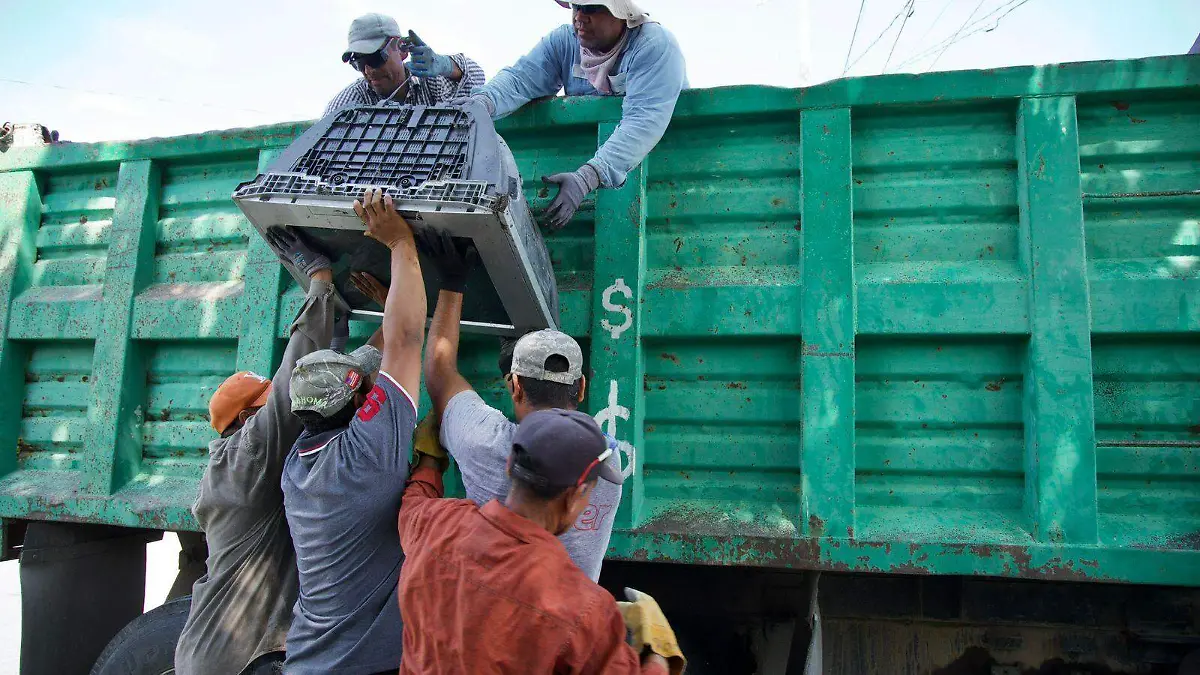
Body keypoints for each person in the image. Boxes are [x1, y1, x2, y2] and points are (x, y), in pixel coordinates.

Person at [397, 408, 685, 674]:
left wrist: (430, 461)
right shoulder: (582, 609)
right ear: (574, 497)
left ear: (510, 466)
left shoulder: (434, 524)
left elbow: (413, 502)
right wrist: (657, 651)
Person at [175, 228, 343, 675]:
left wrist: (337, 338)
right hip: (236, 664)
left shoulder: (240, 463)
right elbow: (292, 389)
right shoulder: (245, 462)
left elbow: (312, 393)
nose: (277, 409)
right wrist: (319, 281)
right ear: (247, 420)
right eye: (264, 406)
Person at [279, 188, 427, 674]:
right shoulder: (364, 454)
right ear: (361, 402)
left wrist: (389, 309)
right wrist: (400, 242)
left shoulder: (300, 462)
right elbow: (407, 340)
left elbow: (382, 353)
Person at [420, 230, 622, 581]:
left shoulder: (484, 443)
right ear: (582, 388)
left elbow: (440, 373)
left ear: (513, 386)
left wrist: (452, 281)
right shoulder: (606, 459)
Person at [458, 0, 687, 230]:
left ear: (619, 11)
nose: (579, 17)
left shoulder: (654, 46)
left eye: (589, 8)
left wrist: (585, 178)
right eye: (575, 7)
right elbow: (521, 79)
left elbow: (643, 121)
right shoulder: (565, 42)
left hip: (669, 196)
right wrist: (481, 104)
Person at [325, 13, 486, 116]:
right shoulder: (352, 101)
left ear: (402, 49)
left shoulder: (432, 82)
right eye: (359, 63)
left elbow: (477, 79)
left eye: (375, 58)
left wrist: (446, 65)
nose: (368, 70)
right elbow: (315, 146)